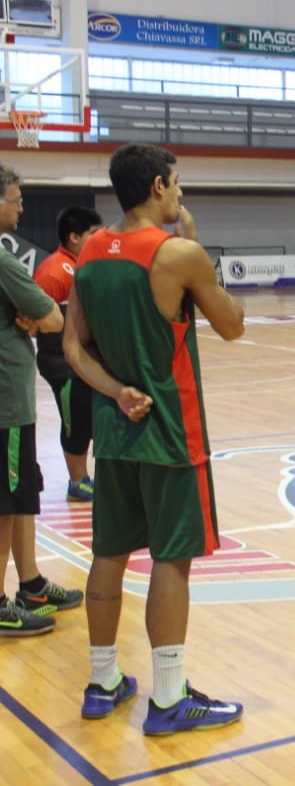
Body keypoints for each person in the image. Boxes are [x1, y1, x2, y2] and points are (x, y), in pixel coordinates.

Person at [63, 143, 245, 734]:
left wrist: (115, 392)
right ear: (160, 186)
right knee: (172, 559)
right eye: (179, 185)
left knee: (109, 555)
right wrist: (198, 253)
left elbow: (72, 348)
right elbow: (233, 326)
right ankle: (169, 698)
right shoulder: (179, 254)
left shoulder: (89, 252)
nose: (181, 194)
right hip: (171, 432)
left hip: (115, 434)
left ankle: (102, 680)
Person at [0, 163, 84, 636]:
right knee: (7, 502)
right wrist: (35, 317)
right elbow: (52, 316)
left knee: (24, 492)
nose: (21, 206)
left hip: (14, 403)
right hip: (6, 401)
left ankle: (30, 582)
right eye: (15, 198)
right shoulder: (4, 260)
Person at [32, 206, 104, 503]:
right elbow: (33, 318)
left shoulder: (86, 265)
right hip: (63, 365)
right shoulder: (54, 271)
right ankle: (77, 481)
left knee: (88, 418)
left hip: (83, 362)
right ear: (74, 237)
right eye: (93, 234)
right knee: (75, 420)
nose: (100, 238)